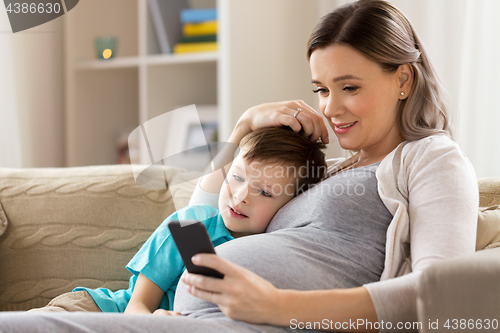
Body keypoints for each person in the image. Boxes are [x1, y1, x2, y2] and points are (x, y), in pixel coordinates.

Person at [0, 1, 478, 332]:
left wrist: (277, 305)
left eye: (349, 87)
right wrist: (243, 126)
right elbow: (198, 223)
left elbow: (442, 300)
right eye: (321, 89)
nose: (331, 108)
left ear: (403, 79)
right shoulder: (324, 168)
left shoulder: (430, 158)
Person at [28, 126, 327, 315]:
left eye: (264, 192)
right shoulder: (193, 224)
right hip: (100, 312)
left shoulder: (271, 252)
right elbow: (138, 304)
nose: (242, 196)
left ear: (291, 206)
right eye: (236, 178)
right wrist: (156, 324)